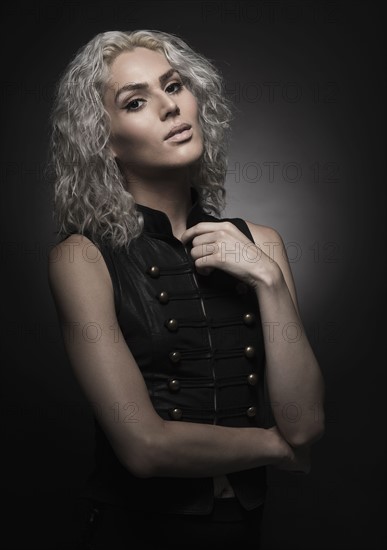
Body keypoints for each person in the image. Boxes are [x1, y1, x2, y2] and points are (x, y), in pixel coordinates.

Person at [47, 29, 325, 550]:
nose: (169, 108)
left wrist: (268, 280)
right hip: (132, 530)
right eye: (136, 101)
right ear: (102, 139)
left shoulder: (261, 244)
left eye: (173, 87)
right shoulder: (82, 258)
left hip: (240, 528)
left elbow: (305, 424)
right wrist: (273, 445)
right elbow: (144, 447)